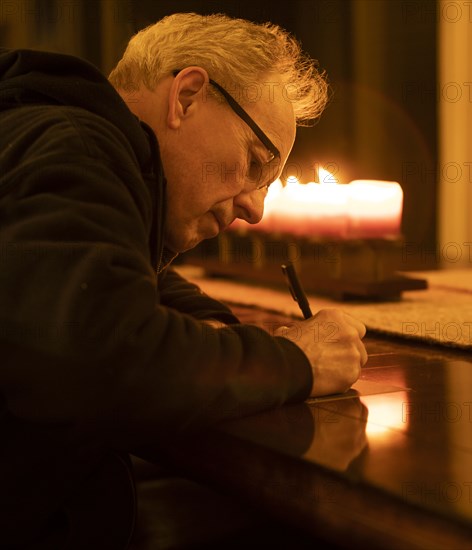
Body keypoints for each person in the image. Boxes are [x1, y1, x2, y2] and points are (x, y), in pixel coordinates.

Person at [0, 12, 367, 549]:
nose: (255, 209)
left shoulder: (52, 134)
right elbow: (102, 363)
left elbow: (120, 276)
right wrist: (298, 361)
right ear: (188, 96)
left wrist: (211, 323)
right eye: (255, 164)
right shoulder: (76, 145)